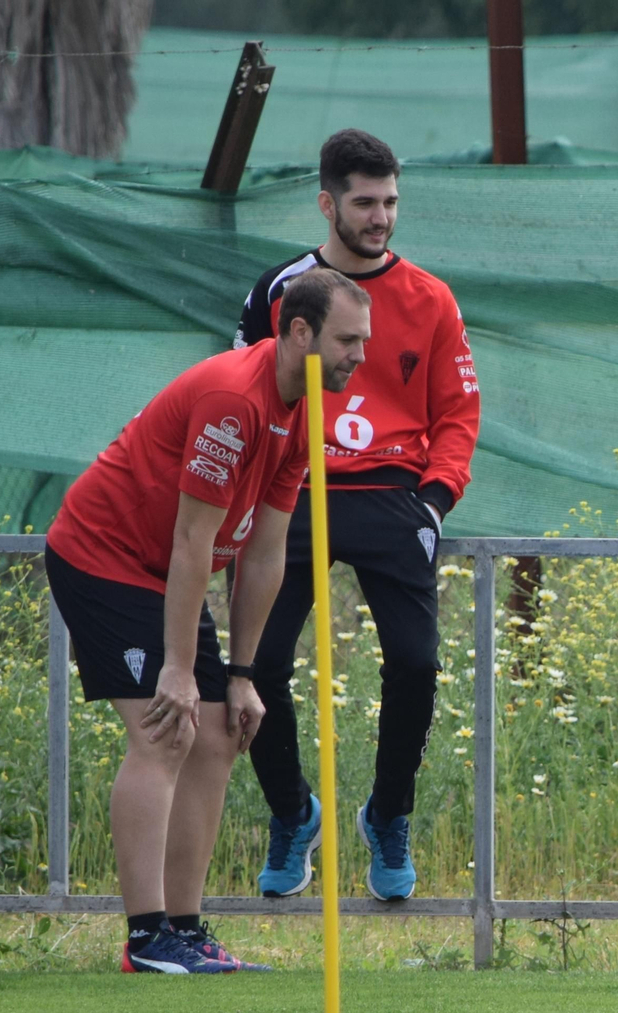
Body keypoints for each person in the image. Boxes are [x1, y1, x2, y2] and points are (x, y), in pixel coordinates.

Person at [45, 268, 371, 972]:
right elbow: (195, 541)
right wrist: (178, 666)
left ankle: (186, 933)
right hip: (106, 554)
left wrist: (245, 674)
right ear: (298, 332)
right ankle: (146, 939)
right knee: (166, 731)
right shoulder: (233, 398)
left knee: (221, 731)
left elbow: (263, 552)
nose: (359, 356)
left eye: (364, 341)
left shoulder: (306, 408)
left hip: (165, 571)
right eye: (347, 340)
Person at [234, 129, 479, 902]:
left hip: (391, 495)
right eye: (365, 202)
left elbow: (459, 411)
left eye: (391, 202)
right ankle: (292, 813)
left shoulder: (432, 298)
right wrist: (247, 496)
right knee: (256, 666)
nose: (380, 218)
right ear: (327, 202)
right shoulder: (281, 290)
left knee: (416, 662)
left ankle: (388, 815)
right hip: (289, 490)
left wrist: (434, 502)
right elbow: (243, 388)